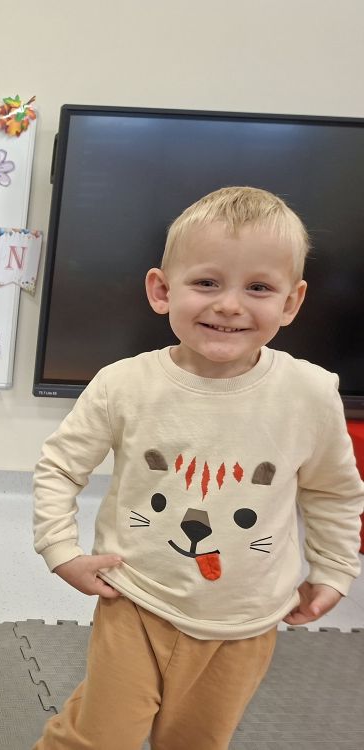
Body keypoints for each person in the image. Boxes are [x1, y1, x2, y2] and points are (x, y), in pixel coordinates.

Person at [31, 186, 364, 750]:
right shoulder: (123, 384)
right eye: (207, 282)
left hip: (246, 619)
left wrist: (333, 567)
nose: (230, 305)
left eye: (258, 287)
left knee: (196, 742)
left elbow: (332, 491)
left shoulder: (309, 393)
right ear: (162, 290)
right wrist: (60, 549)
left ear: (291, 302)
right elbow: (60, 467)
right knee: (98, 738)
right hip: (137, 599)